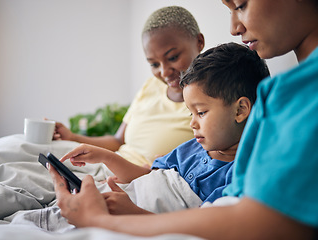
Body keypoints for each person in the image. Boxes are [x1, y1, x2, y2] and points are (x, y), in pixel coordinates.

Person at [48, 0, 318, 239]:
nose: (234, 27)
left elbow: (257, 220)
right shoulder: (283, 93)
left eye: (241, 5)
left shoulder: (295, 100)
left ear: (241, 110)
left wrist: (103, 221)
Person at [57, 42, 270, 215]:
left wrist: (134, 214)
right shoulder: (190, 149)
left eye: (201, 113)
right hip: (124, 197)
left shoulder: (239, 175)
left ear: (240, 110)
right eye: (190, 113)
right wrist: (105, 157)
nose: (192, 123)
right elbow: (145, 176)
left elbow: (198, 227)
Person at [52, 6, 205, 167]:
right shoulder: (151, 86)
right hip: (108, 167)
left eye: (173, 57)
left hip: (136, 180)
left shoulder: (210, 100)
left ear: (199, 42)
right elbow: (118, 140)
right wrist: (72, 137)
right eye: (154, 64)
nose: (164, 72)